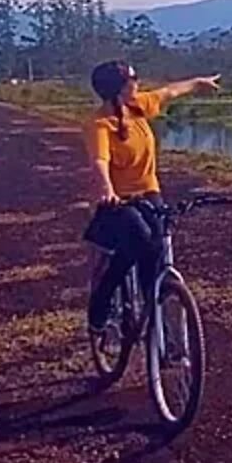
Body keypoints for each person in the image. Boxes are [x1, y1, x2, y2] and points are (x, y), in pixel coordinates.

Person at [81, 60, 220, 335]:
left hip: (149, 191)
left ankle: (156, 319)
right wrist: (107, 190)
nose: (138, 81)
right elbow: (100, 161)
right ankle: (101, 301)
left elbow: (170, 92)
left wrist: (198, 82)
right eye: (133, 78)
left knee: (157, 247)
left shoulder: (138, 106)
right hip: (117, 201)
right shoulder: (99, 124)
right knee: (140, 243)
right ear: (119, 88)